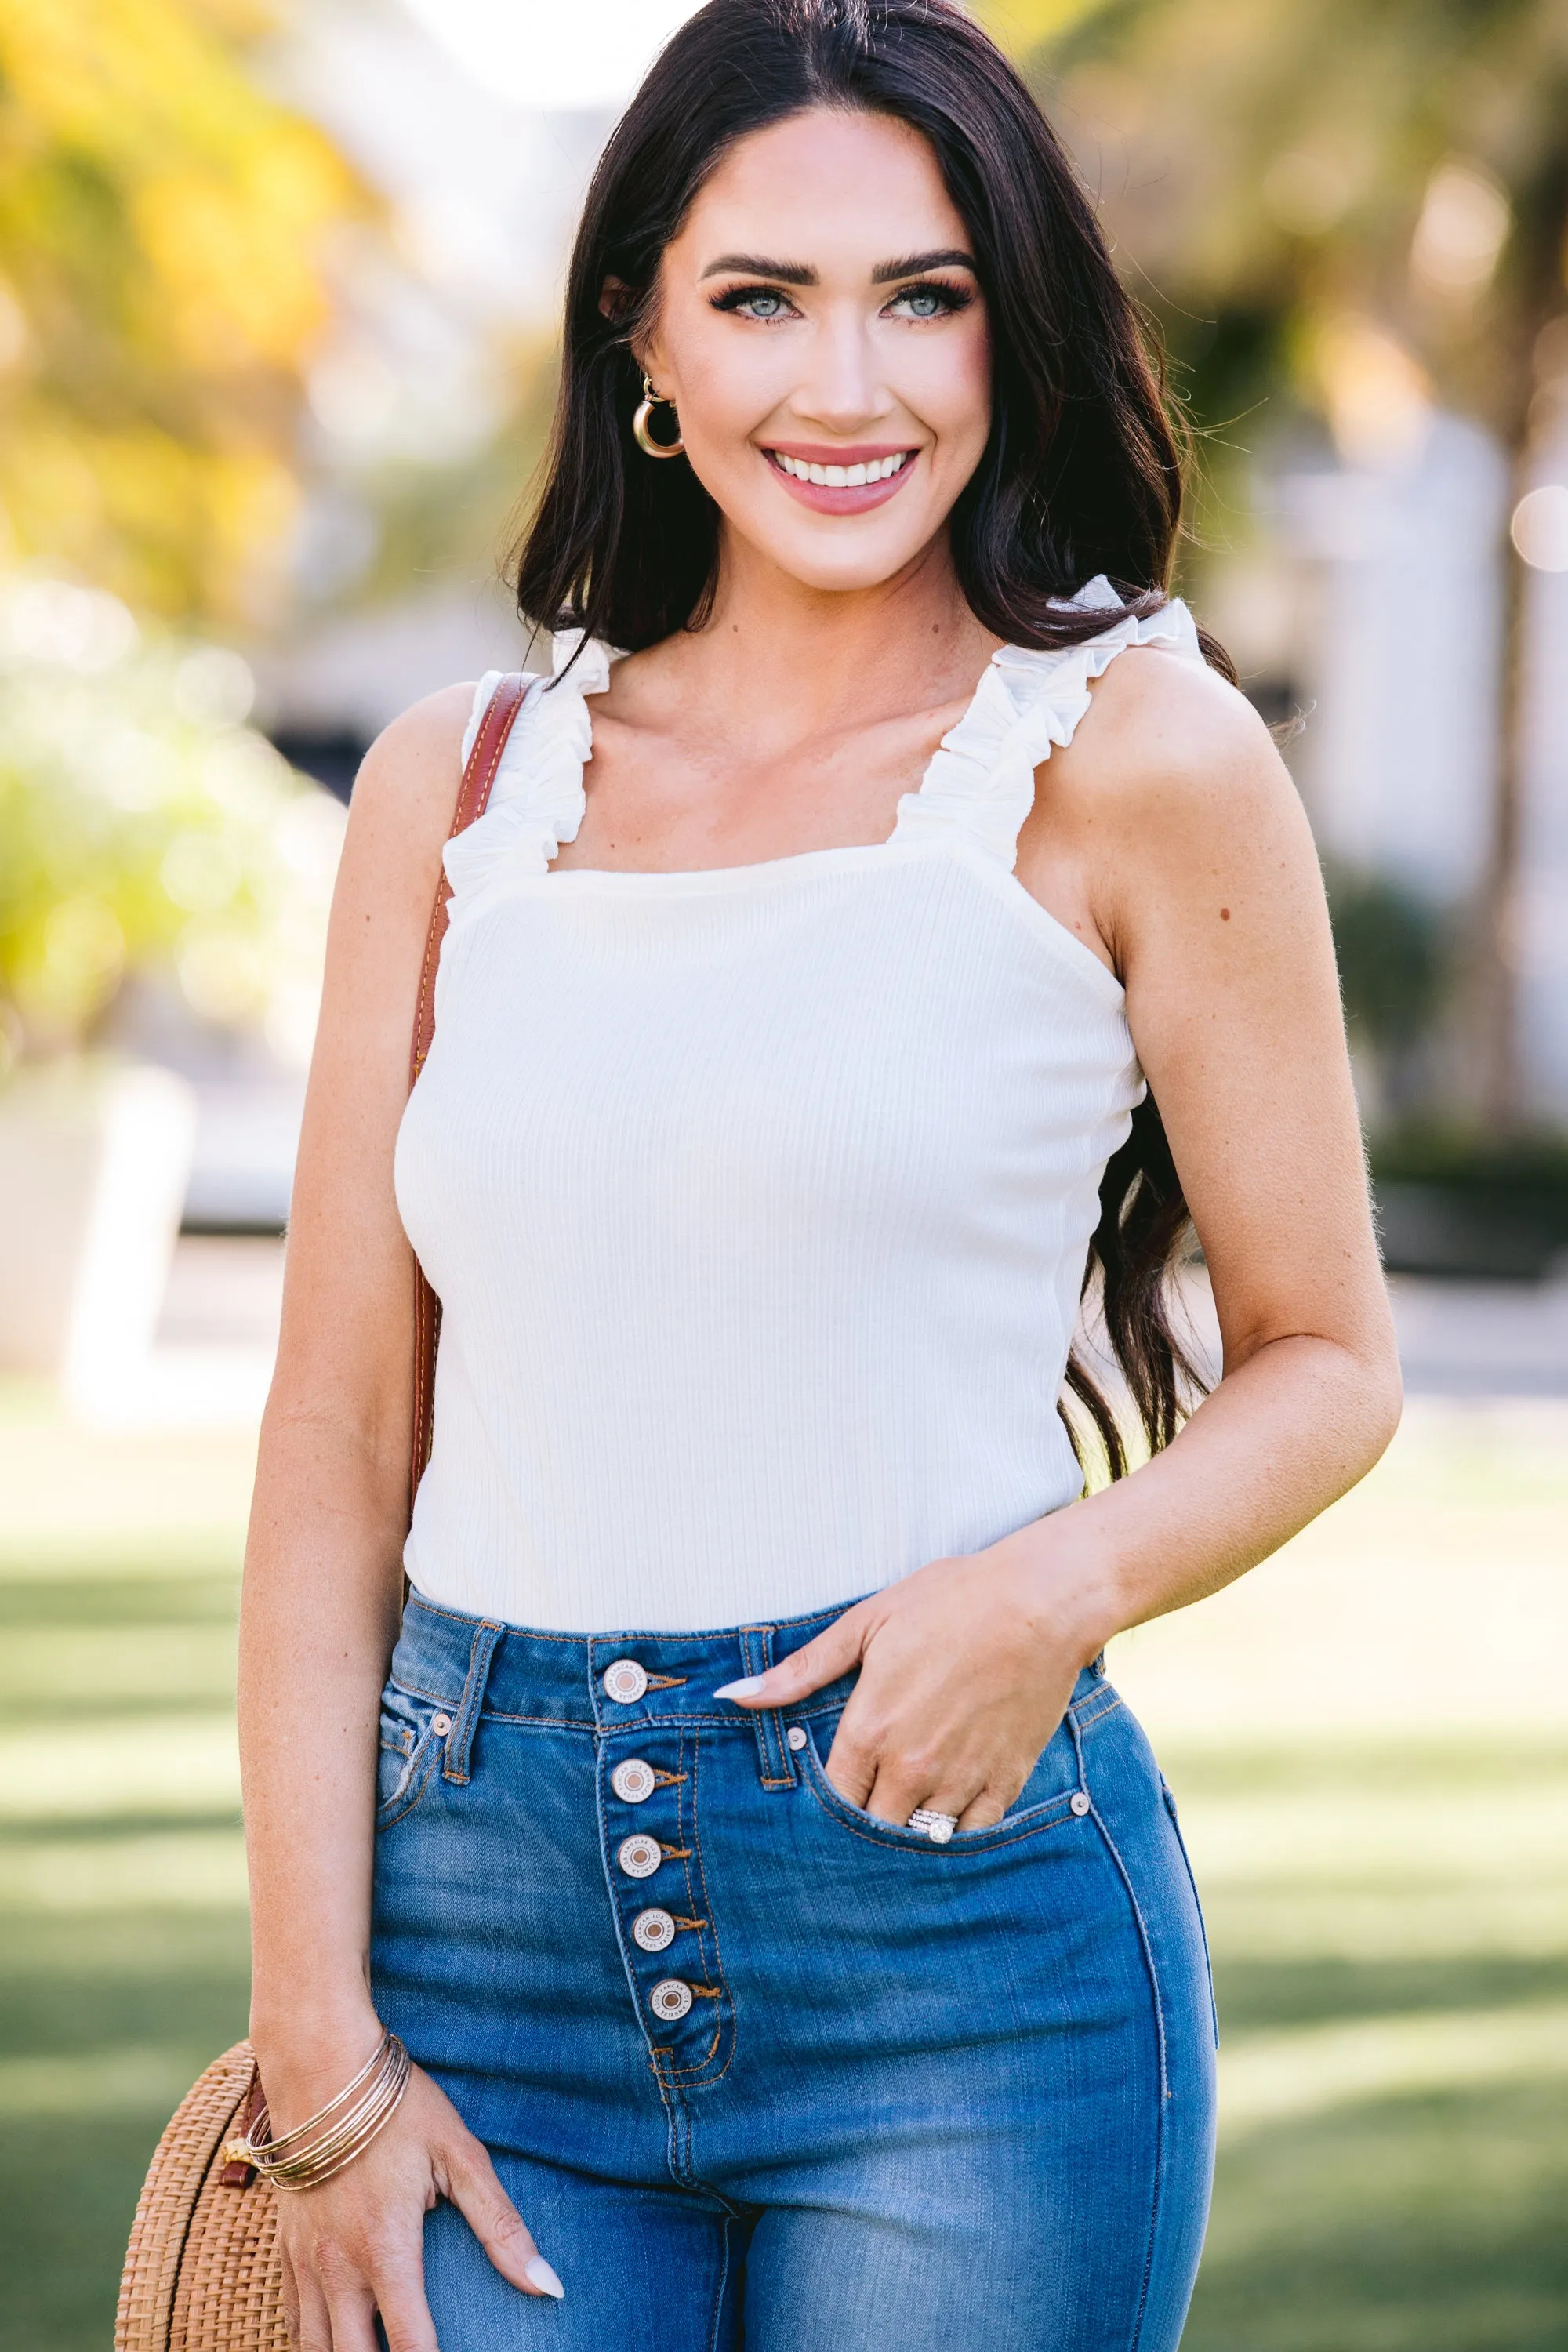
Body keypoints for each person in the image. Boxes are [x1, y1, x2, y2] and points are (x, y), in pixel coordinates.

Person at [237, 3, 1402, 2347]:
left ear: (1013, 331)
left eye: (926, 293)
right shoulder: (456, 795)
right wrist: (318, 2047)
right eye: (764, 295)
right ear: (643, 336)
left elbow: (1332, 1362)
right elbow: (340, 1441)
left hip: (964, 1948)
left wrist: (1042, 1595)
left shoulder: (1137, 761)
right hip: (476, 1950)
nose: (848, 384)